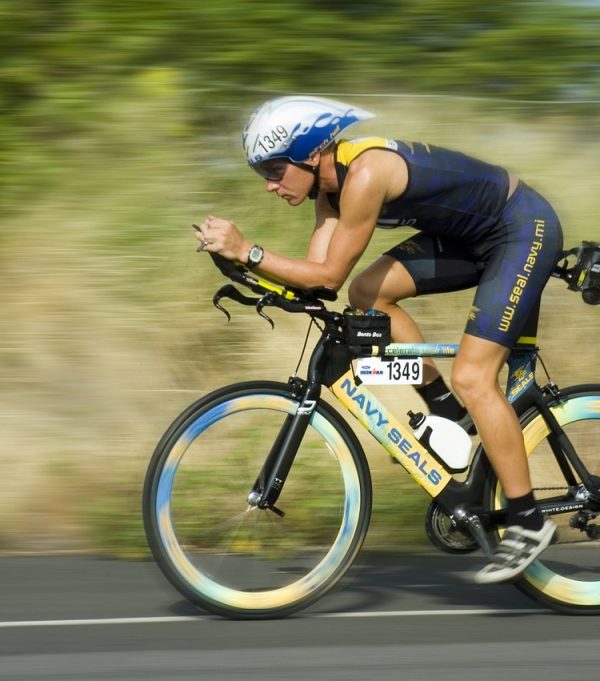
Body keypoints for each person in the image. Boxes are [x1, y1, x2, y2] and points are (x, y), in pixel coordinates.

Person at [194, 95, 562, 584]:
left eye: (275, 170)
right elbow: (321, 284)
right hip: (473, 240)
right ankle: (448, 412)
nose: (269, 185)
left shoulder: (365, 175)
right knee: (368, 293)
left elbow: (327, 269)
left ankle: (527, 521)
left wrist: (249, 249)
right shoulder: (328, 192)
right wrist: (241, 268)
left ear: (309, 154)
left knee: (475, 376)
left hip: (520, 229)